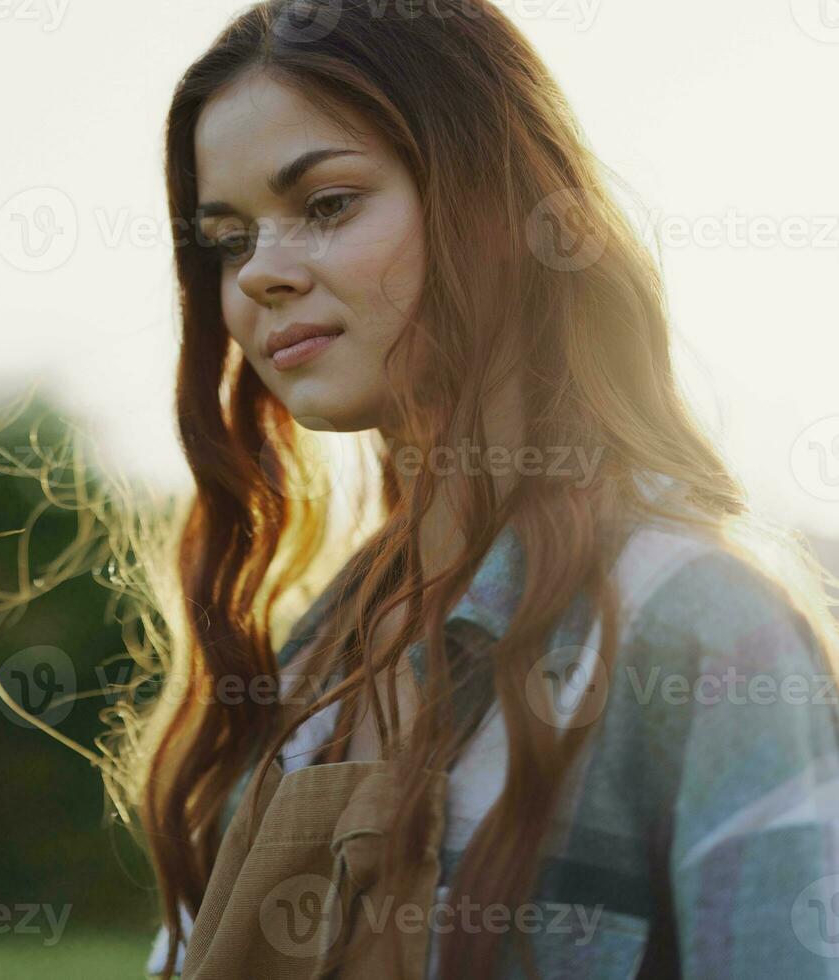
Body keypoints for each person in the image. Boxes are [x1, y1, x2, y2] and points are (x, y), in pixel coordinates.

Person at [130, 1, 839, 976]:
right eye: (228, 239)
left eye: (328, 204)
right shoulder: (302, 674)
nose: (262, 274)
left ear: (498, 200)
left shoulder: (698, 629)